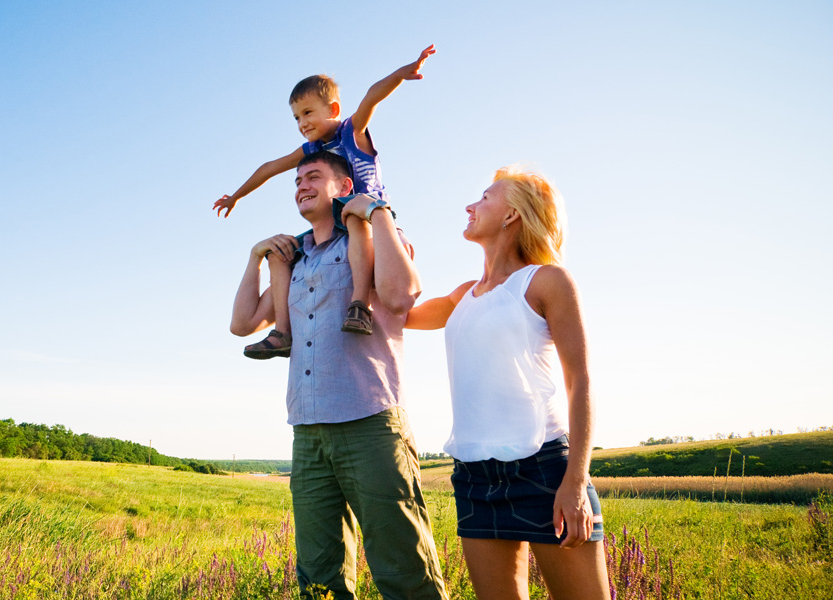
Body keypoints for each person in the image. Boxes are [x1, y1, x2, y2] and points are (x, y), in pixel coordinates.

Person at [230, 151, 448, 599]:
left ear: (344, 188)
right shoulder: (296, 260)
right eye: (296, 181)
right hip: (308, 432)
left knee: (403, 566)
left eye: (313, 176)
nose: (301, 186)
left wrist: (378, 213)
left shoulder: (372, 237)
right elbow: (243, 323)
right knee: (318, 575)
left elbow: (401, 294)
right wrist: (255, 258)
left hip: (369, 422)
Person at [403, 165, 610, 600]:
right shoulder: (463, 295)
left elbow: (581, 382)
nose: (470, 206)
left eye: (483, 198)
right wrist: (383, 232)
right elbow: (395, 313)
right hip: (474, 477)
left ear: (513, 214)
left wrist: (575, 480)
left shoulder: (546, 281)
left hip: (545, 468)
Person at [217, 44, 436, 359]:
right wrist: (236, 195)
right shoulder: (311, 150)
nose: (302, 123)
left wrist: (401, 74)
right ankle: (283, 332)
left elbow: (371, 97)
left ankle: (359, 304)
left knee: (352, 216)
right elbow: (269, 168)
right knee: (282, 253)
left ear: (332, 110)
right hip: (334, 223)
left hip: (367, 214)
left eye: (307, 113)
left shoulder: (351, 131)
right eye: (296, 118)